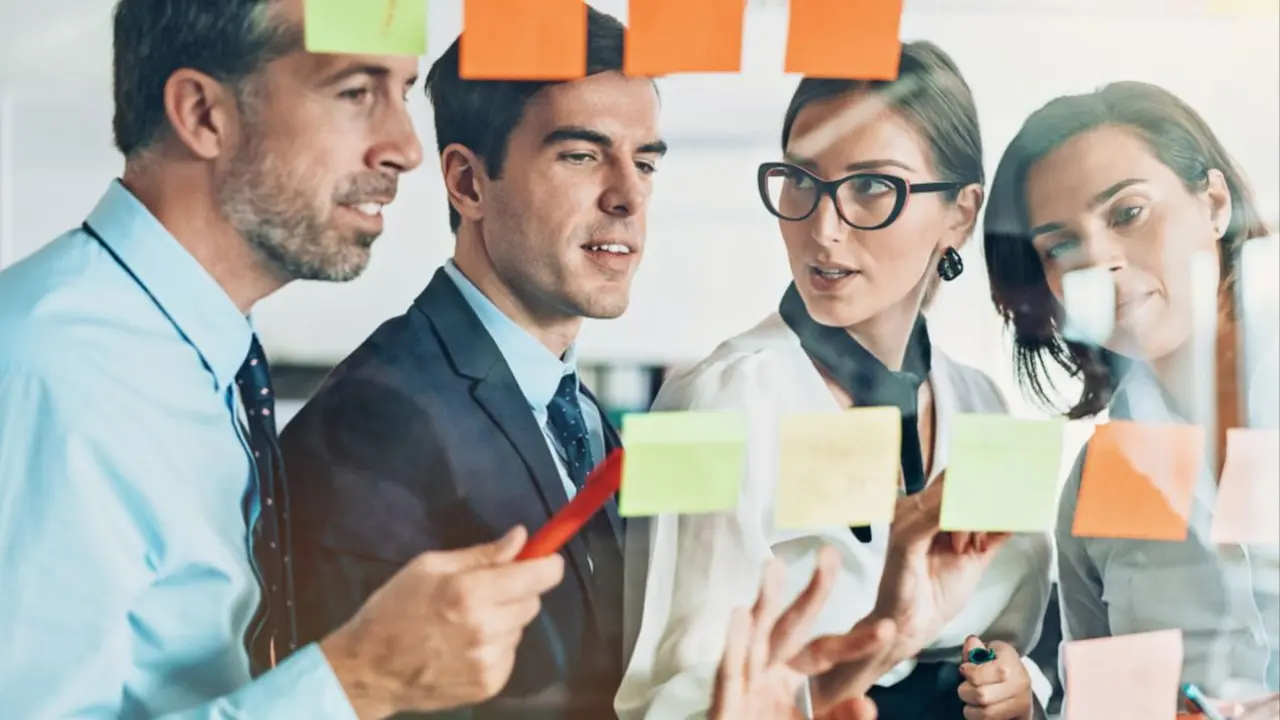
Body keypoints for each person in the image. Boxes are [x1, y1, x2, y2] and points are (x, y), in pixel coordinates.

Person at [0, 0, 566, 717]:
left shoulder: (202, 354)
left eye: (401, 91)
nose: (405, 147)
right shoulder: (49, 374)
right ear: (204, 114)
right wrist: (360, 681)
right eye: (356, 92)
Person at [616, 42, 1053, 720]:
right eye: (801, 179)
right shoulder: (700, 407)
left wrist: (1016, 689)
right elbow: (657, 698)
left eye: (873, 186)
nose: (823, 228)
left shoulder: (983, 404)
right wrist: (857, 662)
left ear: (960, 215)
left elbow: (1019, 635)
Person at [277, 7, 666, 717]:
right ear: (468, 183)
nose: (628, 195)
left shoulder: (577, 412)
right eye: (581, 155)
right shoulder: (373, 421)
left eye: (644, 161)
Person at [983, 81, 1280, 714]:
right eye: (1059, 245)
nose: (1099, 260)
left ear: (1215, 204)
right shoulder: (1100, 479)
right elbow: (1102, 707)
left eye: (1128, 213)